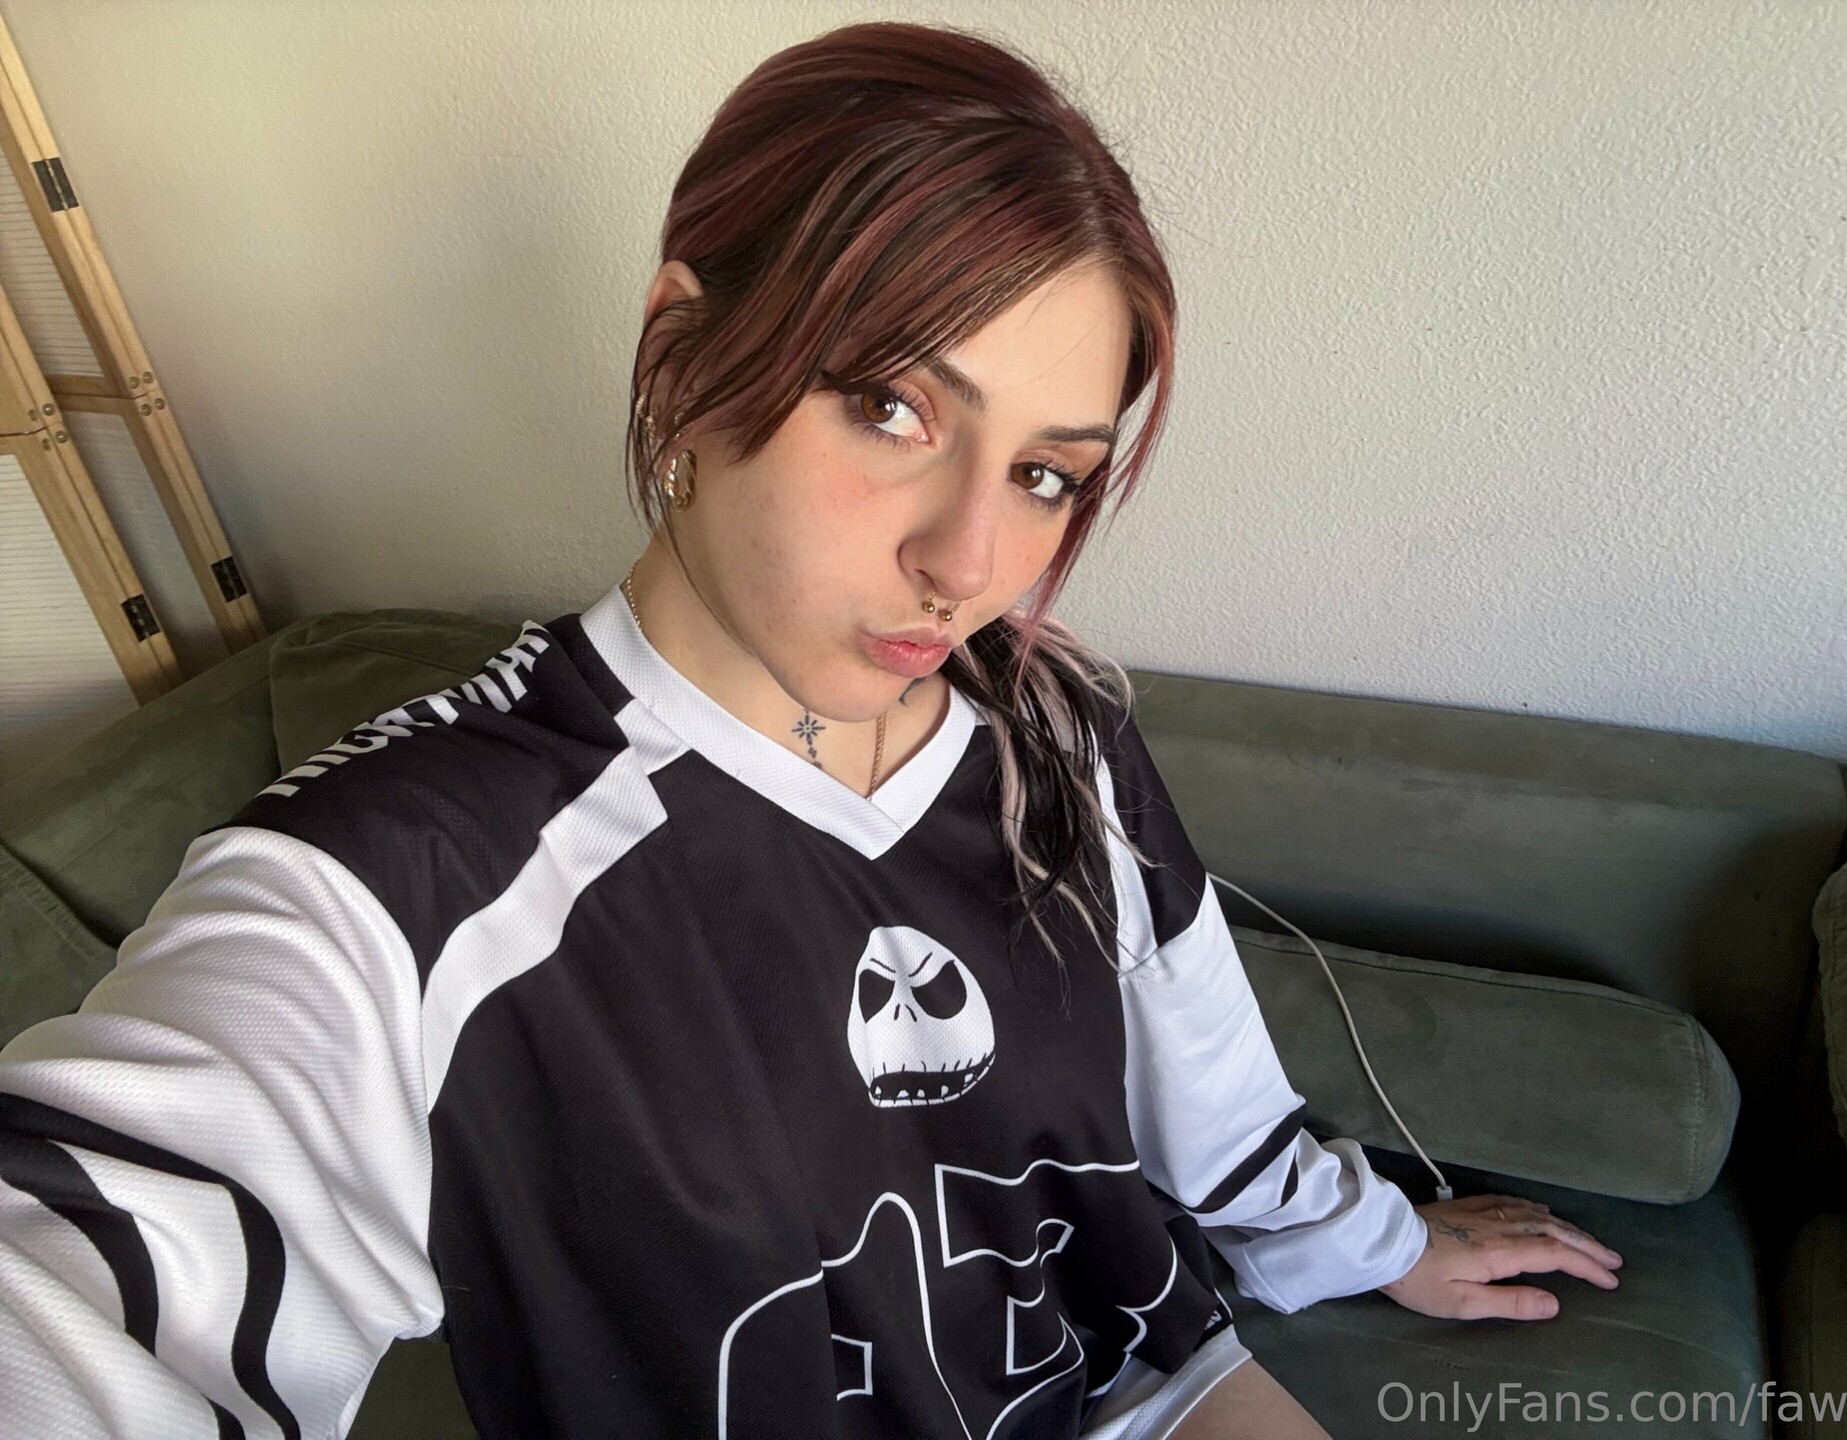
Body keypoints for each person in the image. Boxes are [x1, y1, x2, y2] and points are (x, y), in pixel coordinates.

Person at [0, 20, 1625, 1439]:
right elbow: (88, 1284)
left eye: (1044, 473)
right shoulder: (409, 878)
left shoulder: (1054, 730)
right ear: (687, 357)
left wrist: (1378, 1242)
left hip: (1147, 1388)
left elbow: (1202, 1073)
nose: (968, 563)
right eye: (895, 408)